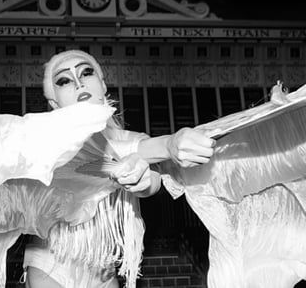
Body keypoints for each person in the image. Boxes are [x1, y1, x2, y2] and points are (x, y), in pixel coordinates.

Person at [22, 49, 216, 288]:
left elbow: (145, 162)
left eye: (86, 73)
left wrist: (164, 154)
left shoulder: (130, 139)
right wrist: (163, 146)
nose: (78, 82)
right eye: (64, 80)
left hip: (103, 269)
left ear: (103, 85)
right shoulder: (42, 139)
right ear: (54, 103)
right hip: (50, 264)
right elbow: (88, 162)